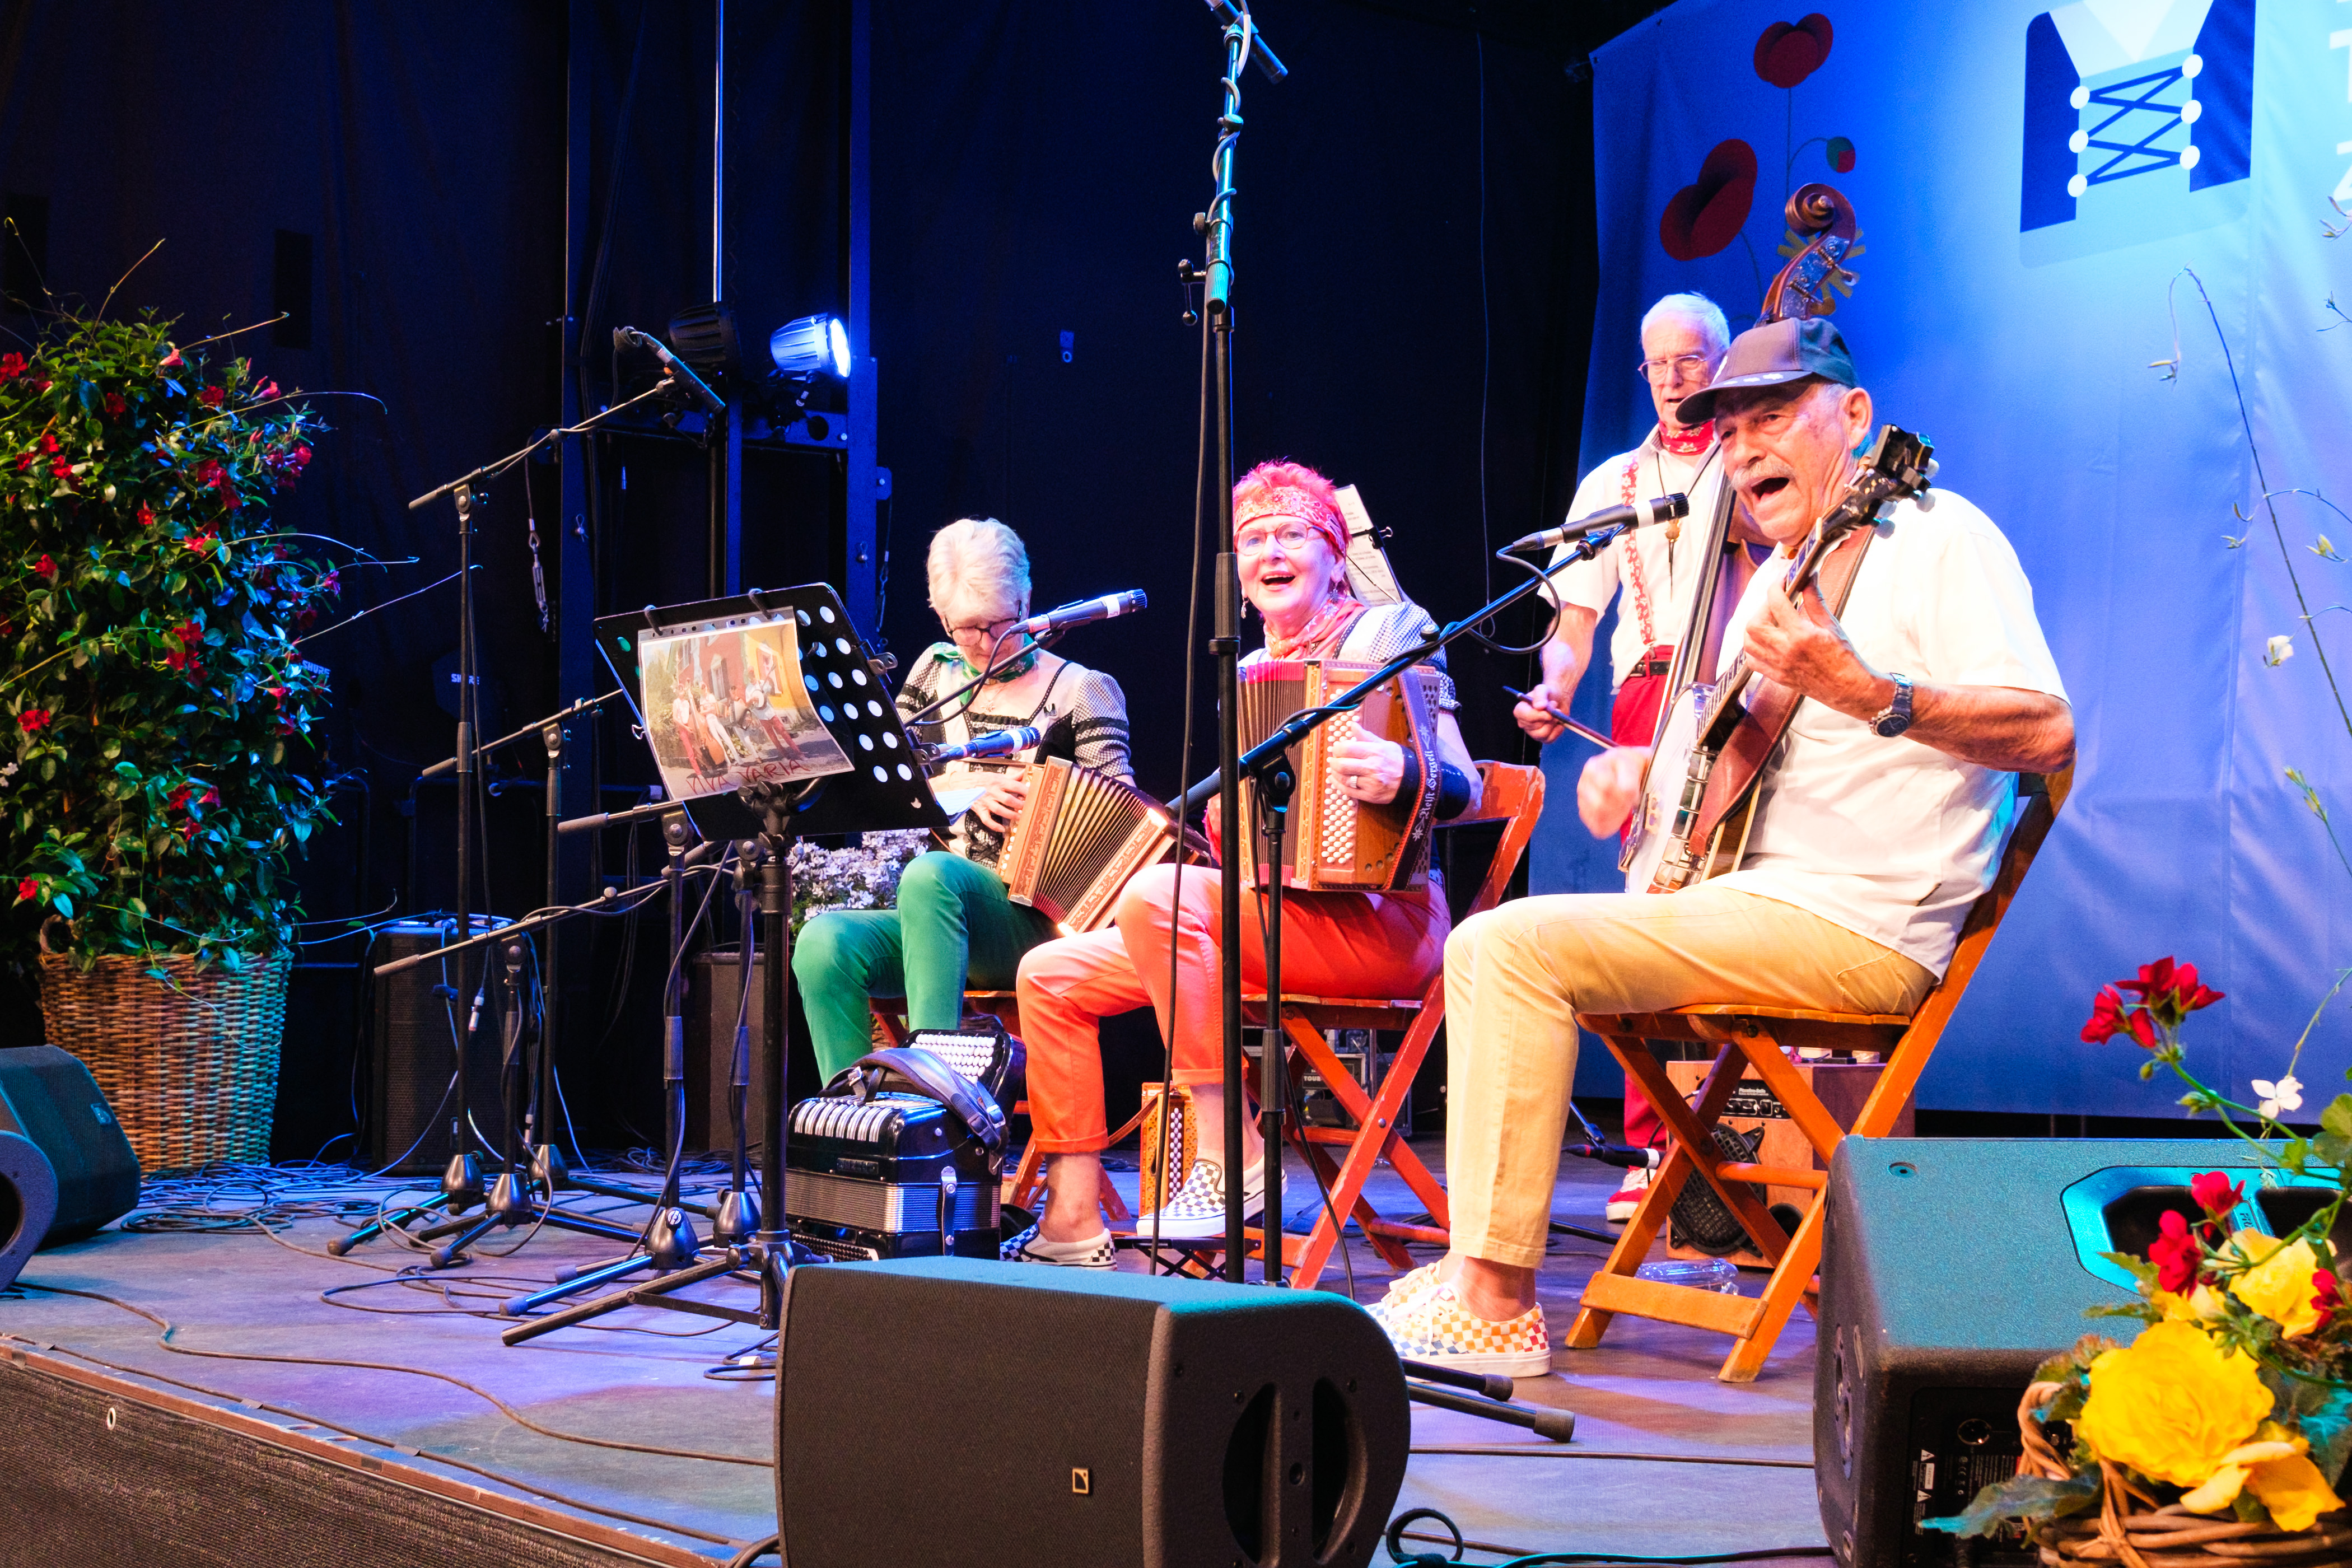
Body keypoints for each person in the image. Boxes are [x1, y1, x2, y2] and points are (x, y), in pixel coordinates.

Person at [1374, 318, 2074, 1374]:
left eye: (1775, 416)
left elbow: (2047, 731)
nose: (1744, 447)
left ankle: (1496, 1302)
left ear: (1854, 415)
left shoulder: (1937, 536)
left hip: (1861, 922)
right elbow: (1737, 774)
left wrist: (1871, 694)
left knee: (1506, 947)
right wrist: (1639, 782)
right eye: (1730, 426)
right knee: (1492, 942)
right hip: (1763, 901)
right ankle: (1482, 1268)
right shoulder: (1782, 578)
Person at [1002, 459, 1482, 1268]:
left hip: (1383, 923)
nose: (1272, 552)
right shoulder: (1251, 667)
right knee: (1050, 974)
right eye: (1255, 540)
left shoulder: (1385, 635)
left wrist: (1407, 773)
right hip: (1270, 916)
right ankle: (1074, 1219)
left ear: (1333, 553)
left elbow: (1466, 785)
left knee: (1162, 898)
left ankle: (1236, 1157)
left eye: (1293, 534)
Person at [1514, 291, 1753, 1222]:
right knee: (1652, 915)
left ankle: (1740, 1134)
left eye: (1690, 360)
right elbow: (1574, 621)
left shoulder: (1750, 461)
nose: (1672, 380)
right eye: (1656, 364)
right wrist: (1556, 689)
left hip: (1747, 687)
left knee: (1734, 907)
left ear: (1725, 360)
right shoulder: (1613, 483)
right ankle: (1655, 1143)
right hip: (1650, 693)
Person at [791, 517, 1133, 1083]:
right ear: (940, 615)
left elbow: (1122, 823)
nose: (981, 644)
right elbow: (888, 782)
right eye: (964, 629)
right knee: (825, 942)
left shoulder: (1082, 688)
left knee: (932, 875)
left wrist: (1046, 803)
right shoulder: (935, 670)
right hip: (936, 924)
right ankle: (855, 1128)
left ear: (1025, 599)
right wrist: (967, 790)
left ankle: (937, 1102)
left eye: (998, 624)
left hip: (1033, 921)